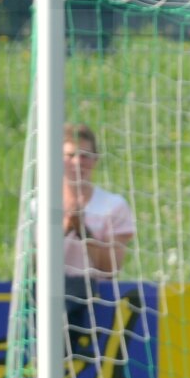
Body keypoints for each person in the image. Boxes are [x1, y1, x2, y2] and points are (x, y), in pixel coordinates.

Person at [62, 123, 137, 345]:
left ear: (95, 160)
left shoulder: (114, 206)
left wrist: (83, 231)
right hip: (50, 302)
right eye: (71, 155)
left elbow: (111, 267)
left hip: (97, 304)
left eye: (85, 156)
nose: (78, 162)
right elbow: (33, 265)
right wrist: (65, 227)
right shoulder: (38, 205)